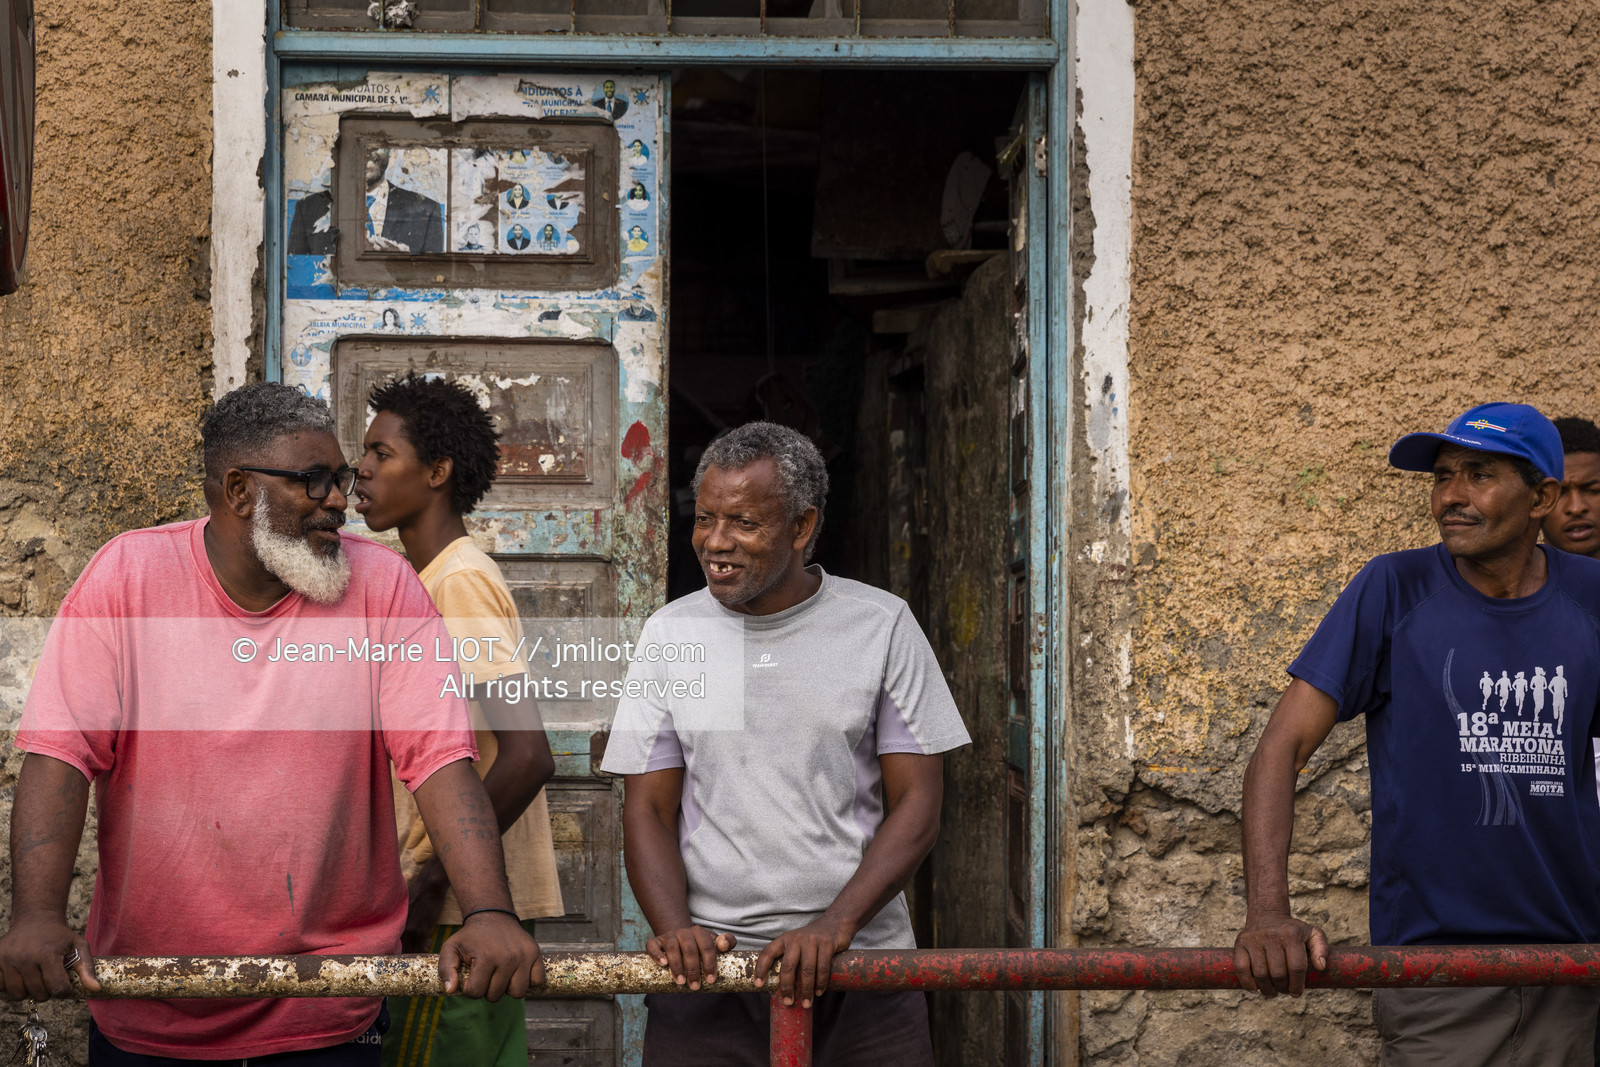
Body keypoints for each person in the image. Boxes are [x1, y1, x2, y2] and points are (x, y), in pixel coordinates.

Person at [0, 383, 542, 1063]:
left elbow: (441, 759)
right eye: (315, 481)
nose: (341, 500)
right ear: (237, 491)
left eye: (341, 478)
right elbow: (59, 755)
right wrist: (38, 917)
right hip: (151, 1009)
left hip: (330, 1012)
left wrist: (489, 910)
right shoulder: (126, 577)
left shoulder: (386, 587)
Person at [1233, 402, 1600, 1065]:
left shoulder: (1590, 596)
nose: (1450, 498)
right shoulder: (1396, 588)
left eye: (1478, 474)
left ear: (1541, 496)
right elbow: (1278, 749)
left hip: (1572, 973)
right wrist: (1267, 912)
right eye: (1442, 477)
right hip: (1435, 979)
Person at [600, 421, 971, 1066]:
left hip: (864, 971)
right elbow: (648, 807)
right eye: (705, 519)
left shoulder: (880, 626)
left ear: (802, 529)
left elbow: (919, 805)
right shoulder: (671, 634)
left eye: (743, 523)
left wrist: (836, 925)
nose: (715, 543)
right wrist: (675, 932)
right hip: (714, 972)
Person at [351, 373, 565, 1067]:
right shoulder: (416, 579)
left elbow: (529, 754)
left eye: (382, 453)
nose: (362, 468)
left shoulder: (458, 580)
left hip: (453, 910)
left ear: (436, 472)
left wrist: (436, 882)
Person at [362, 146, 444, 256]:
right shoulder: (333, 210)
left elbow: (434, 269)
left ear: (391, 151)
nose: (368, 154)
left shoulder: (427, 210)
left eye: (377, 143)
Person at [1543, 417, 1600, 557]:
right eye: (1559, 493)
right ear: (1536, 502)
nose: (1576, 508)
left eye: (1593, 490)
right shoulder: (1512, 579)